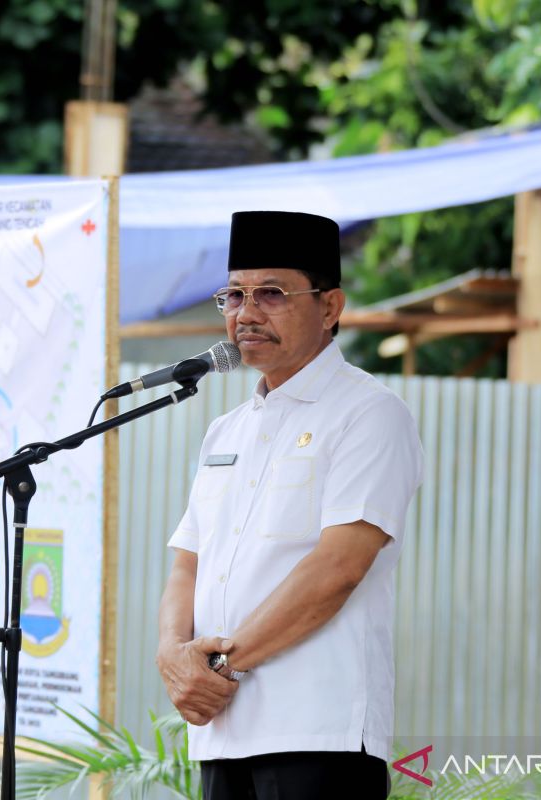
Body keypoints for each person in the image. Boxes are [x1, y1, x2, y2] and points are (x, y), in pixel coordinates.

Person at [156, 210, 424, 800]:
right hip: (222, 730)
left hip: (316, 731)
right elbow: (188, 563)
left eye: (271, 293)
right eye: (234, 295)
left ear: (330, 308)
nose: (245, 313)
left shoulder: (368, 413)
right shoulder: (225, 431)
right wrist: (173, 657)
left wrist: (221, 669)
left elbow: (338, 568)